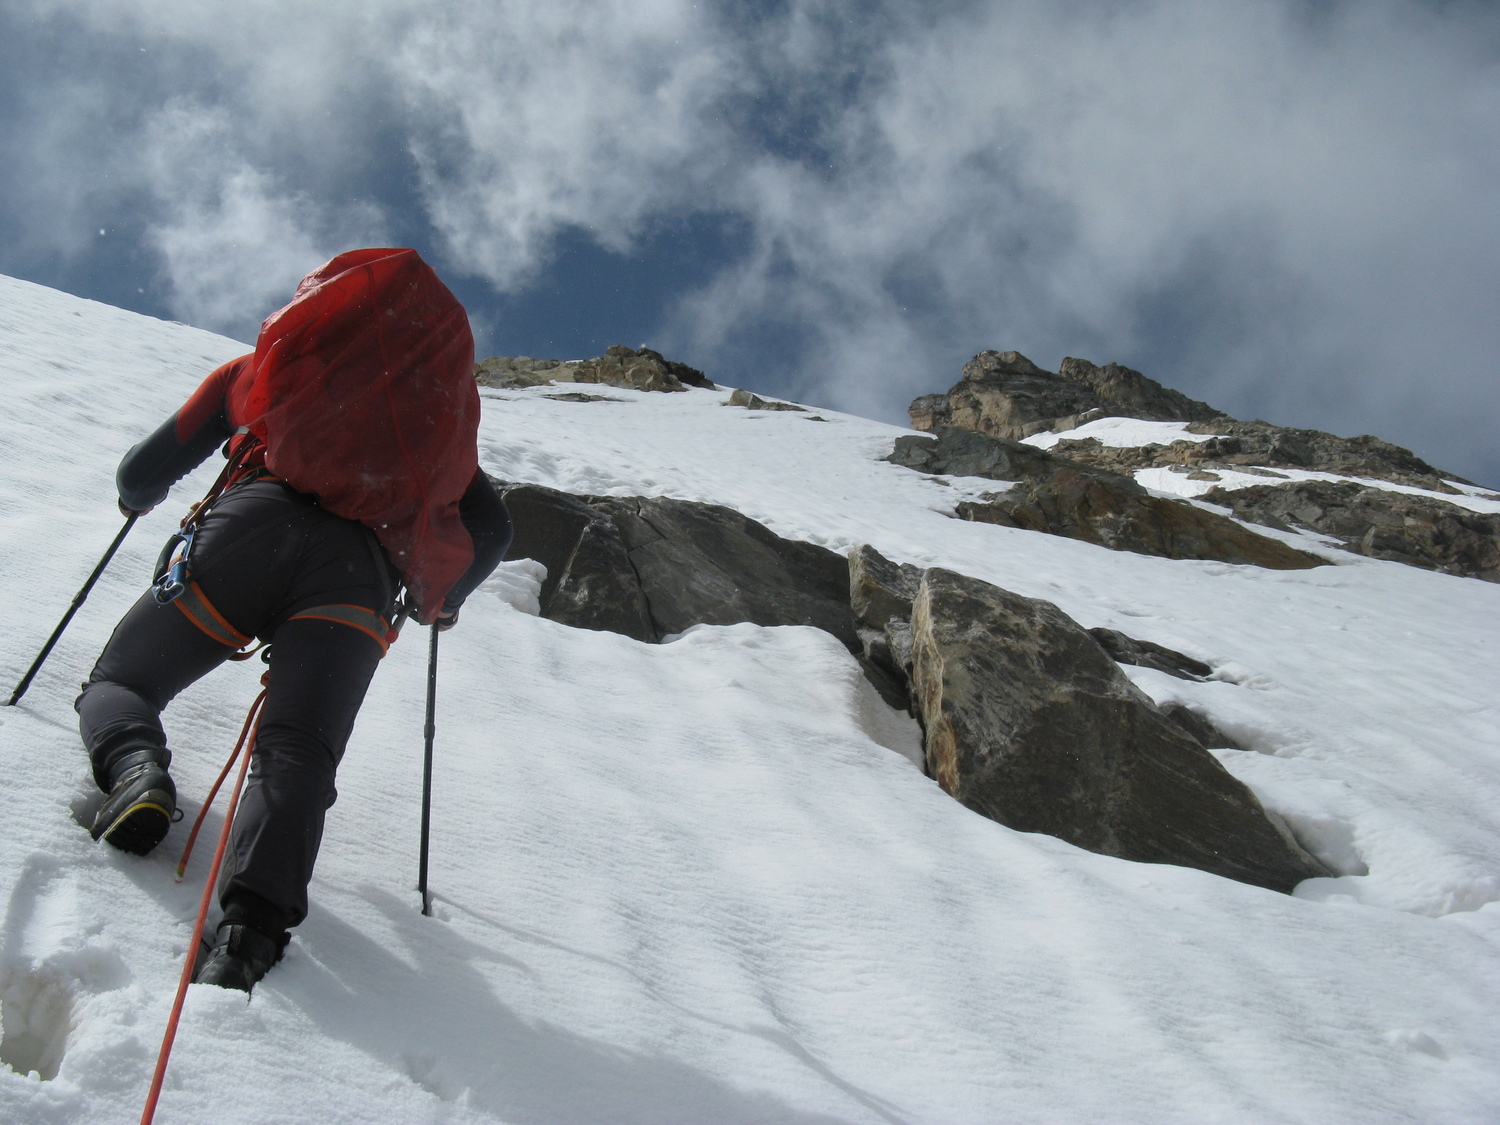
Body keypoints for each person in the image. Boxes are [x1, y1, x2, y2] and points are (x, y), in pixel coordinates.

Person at [76, 249, 511, 992]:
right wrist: (440, 600)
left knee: (123, 679)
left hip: (251, 529)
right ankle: (249, 932)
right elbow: (490, 528)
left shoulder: (275, 367)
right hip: (358, 582)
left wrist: (137, 497)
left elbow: (139, 472)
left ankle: (135, 768)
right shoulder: (434, 432)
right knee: (297, 751)